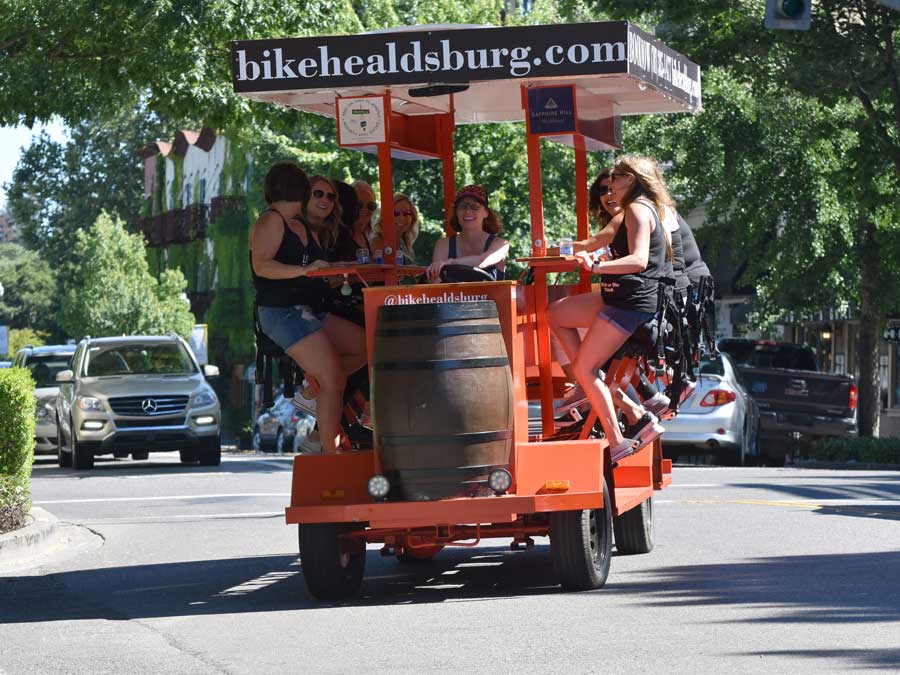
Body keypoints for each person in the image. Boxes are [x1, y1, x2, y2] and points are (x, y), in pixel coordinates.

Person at [547, 155, 670, 460]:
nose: (609, 186)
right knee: (557, 313)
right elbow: (590, 243)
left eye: (615, 178)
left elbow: (639, 260)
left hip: (629, 304)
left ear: (631, 179)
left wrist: (599, 267)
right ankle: (586, 386)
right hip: (617, 297)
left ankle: (621, 438)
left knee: (586, 369)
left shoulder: (639, 210)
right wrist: (552, 250)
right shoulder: (629, 211)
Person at [250, 162, 367, 454]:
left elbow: (315, 266)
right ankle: (330, 452)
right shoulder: (271, 219)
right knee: (334, 378)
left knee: (366, 346)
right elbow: (262, 266)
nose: (324, 201)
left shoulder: (300, 225)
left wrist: (340, 269)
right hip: (281, 311)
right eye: (313, 191)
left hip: (307, 308)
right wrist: (304, 272)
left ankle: (312, 393)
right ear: (300, 190)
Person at [426, 185, 509, 282]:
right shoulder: (443, 245)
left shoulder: (501, 244)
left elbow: (482, 261)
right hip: (453, 296)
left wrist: (450, 262)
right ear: (456, 212)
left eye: (475, 207)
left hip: (492, 297)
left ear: (486, 212)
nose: (468, 211)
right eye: (462, 206)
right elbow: (435, 281)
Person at [332, 180, 377, 262]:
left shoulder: (370, 236)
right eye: (359, 205)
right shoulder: (336, 235)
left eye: (371, 206)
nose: (365, 210)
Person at [371, 193, 420, 265]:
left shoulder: (404, 242)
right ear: (385, 216)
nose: (401, 218)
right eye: (395, 213)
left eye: (406, 213)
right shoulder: (378, 241)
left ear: (413, 217)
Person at [303, 175, 342, 251]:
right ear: (304, 196)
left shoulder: (331, 234)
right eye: (318, 194)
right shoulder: (291, 228)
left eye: (330, 196)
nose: (325, 200)